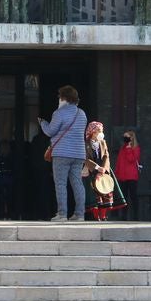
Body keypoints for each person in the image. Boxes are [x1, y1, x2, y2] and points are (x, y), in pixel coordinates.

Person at [40, 85, 87, 222]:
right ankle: (79, 214)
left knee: (60, 184)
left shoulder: (59, 113)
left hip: (62, 153)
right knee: (77, 183)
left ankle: (62, 214)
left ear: (64, 98)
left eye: (60, 97)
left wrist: (43, 123)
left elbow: (50, 131)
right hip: (78, 153)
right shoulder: (81, 113)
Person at [83, 121, 120, 221]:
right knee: (94, 193)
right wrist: (96, 168)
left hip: (103, 170)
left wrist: (103, 168)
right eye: (99, 131)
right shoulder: (85, 143)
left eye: (101, 131)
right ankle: (96, 216)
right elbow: (85, 158)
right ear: (93, 131)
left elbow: (106, 156)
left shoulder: (103, 142)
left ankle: (103, 215)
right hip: (92, 170)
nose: (101, 133)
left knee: (105, 192)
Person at [114, 129, 141, 222]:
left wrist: (129, 148)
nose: (124, 138)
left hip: (132, 176)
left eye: (126, 137)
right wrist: (117, 173)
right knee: (123, 197)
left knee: (133, 196)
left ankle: (136, 216)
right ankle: (123, 216)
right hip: (122, 176)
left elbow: (131, 159)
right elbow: (119, 162)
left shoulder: (136, 148)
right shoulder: (122, 148)